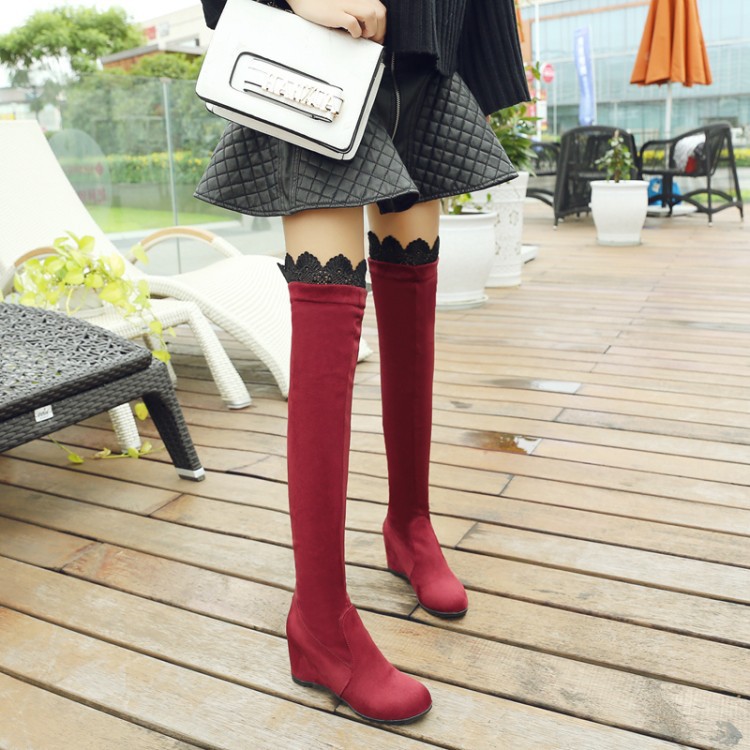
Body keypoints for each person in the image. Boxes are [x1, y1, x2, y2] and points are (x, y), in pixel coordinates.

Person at [196, 0, 529, 724]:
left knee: (412, 300)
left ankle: (410, 527)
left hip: (424, 55)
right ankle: (319, 622)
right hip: (317, 51)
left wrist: (478, 61)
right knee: (328, 319)